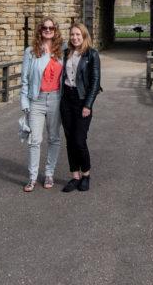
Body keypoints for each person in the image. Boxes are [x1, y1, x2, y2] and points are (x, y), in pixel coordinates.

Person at [20, 17, 64, 191]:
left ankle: (49, 174)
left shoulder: (62, 50)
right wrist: (24, 102)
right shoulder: (31, 51)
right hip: (36, 100)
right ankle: (32, 177)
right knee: (34, 140)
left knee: (54, 138)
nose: (47, 30)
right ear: (40, 30)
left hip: (55, 99)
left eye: (51, 28)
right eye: (44, 28)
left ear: (55, 30)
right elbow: (24, 80)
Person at [59, 22, 101, 192]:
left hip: (82, 100)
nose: (75, 37)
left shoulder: (91, 54)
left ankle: (86, 174)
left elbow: (95, 82)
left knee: (79, 139)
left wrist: (88, 104)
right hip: (66, 99)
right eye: (72, 35)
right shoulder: (65, 53)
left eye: (78, 35)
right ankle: (75, 175)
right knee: (70, 140)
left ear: (84, 36)